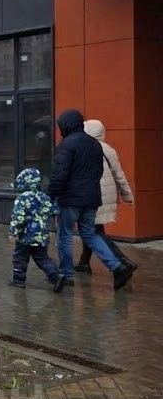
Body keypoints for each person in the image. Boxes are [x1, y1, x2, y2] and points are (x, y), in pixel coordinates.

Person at [48, 109, 134, 290]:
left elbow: (59, 175)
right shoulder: (95, 145)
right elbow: (99, 172)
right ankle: (117, 267)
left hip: (70, 199)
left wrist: (51, 195)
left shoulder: (66, 145)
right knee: (90, 234)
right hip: (92, 198)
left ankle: (66, 275)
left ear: (66, 126)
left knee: (64, 235)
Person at [76, 119, 136, 274]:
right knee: (92, 228)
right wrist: (127, 196)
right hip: (106, 197)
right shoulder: (109, 150)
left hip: (91, 195)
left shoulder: (84, 148)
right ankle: (84, 262)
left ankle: (123, 261)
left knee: (93, 231)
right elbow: (119, 174)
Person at [8, 168, 66, 292]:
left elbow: (18, 217)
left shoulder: (22, 198)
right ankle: (56, 276)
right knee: (42, 258)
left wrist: (13, 232)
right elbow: (53, 210)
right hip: (41, 236)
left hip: (25, 236)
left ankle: (18, 280)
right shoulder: (43, 197)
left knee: (19, 258)